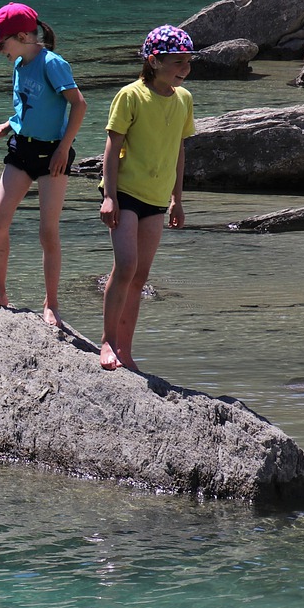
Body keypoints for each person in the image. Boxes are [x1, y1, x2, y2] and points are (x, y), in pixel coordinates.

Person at [0, 3, 87, 327]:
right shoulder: (20, 63)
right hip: (22, 150)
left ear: (23, 36)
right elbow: (27, 109)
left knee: (47, 231)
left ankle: (51, 303)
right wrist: (7, 125)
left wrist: (64, 148)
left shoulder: (53, 64)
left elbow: (78, 106)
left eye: (1, 42)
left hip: (53, 155)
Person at [98, 25, 196, 371]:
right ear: (154, 61)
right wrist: (109, 196)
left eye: (188, 61)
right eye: (178, 61)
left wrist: (177, 199)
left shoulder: (184, 99)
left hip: (156, 199)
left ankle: (126, 349)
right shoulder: (131, 95)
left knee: (140, 277)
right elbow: (113, 147)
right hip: (125, 194)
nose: (185, 67)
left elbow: (179, 152)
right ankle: (107, 342)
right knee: (125, 266)